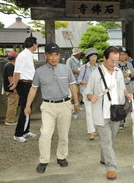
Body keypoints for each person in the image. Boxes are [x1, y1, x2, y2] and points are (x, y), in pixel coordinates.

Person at [24, 43, 80, 174]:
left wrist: (76, 103)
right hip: (48, 106)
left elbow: (72, 86)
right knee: (45, 134)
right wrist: (27, 106)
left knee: (64, 134)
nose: (54, 58)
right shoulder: (39, 72)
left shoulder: (66, 69)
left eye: (56, 55)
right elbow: (33, 89)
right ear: (46, 56)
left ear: (59, 55)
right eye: (51, 55)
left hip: (65, 105)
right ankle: (43, 160)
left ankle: (61, 157)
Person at [84, 46, 133, 180]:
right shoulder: (96, 74)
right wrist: (91, 97)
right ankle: (111, 167)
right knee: (106, 140)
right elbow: (86, 92)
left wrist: (127, 94)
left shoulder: (118, 72)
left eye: (116, 61)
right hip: (101, 112)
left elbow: (121, 87)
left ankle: (103, 157)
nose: (114, 64)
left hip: (116, 111)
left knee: (111, 139)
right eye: (112, 61)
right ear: (104, 58)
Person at [10, 36, 38, 143]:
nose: (37, 45)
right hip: (25, 84)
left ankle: (26, 130)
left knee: (28, 107)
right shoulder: (23, 55)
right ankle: (18, 133)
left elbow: (17, 71)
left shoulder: (27, 55)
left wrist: (14, 82)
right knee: (25, 108)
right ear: (34, 44)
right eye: (36, 43)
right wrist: (15, 84)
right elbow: (17, 72)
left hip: (28, 84)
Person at [77, 48, 99, 140]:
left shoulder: (99, 67)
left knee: (96, 112)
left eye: (95, 56)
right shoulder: (84, 67)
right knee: (89, 113)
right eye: (92, 56)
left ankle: (96, 129)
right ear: (89, 58)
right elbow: (78, 79)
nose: (94, 58)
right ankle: (92, 132)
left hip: (97, 93)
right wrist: (85, 83)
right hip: (87, 92)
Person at [117, 47, 134, 129]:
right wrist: (122, 75)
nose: (123, 56)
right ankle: (120, 122)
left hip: (128, 85)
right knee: (120, 103)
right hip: (119, 86)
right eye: (121, 54)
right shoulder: (115, 64)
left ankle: (122, 117)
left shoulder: (129, 64)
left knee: (128, 103)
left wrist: (128, 75)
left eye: (124, 54)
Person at [3, 51, 19, 125]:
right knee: (12, 105)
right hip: (11, 89)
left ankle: (10, 119)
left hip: (8, 88)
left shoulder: (8, 65)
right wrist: (14, 88)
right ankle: (9, 120)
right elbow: (10, 78)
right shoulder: (10, 66)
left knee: (12, 104)